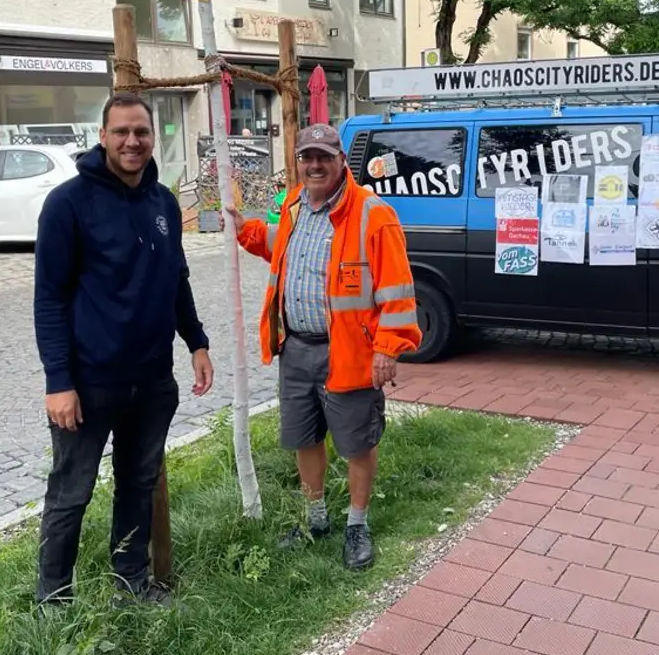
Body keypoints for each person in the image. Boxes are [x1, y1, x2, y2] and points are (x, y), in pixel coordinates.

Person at [33, 92, 214, 608]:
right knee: (72, 493)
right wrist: (58, 382)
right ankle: (54, 600)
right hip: (89, 383)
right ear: (103, 136)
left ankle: (130, 585)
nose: (132, 142)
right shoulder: (69, 204)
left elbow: (174, 279)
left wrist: (196, 342)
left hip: (152, 380)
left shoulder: (162, 201)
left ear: (153, 137)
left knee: (137, 484)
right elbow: (49, 298)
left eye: (141, 132)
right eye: (122, 132)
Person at [225, 124, 420, 571]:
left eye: (323, 157)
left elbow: (398, 288)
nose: (314, 165)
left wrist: (388, 348)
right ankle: (315, 520)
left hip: (349, 352)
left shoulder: (374, 215)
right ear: (298, 162)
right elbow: (280, 248)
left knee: (355, 442)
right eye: (306, 157)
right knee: (304, 437)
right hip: (296, 349)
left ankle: (357, 525)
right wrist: (246, 232)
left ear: (340, 162)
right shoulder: (294, 205)